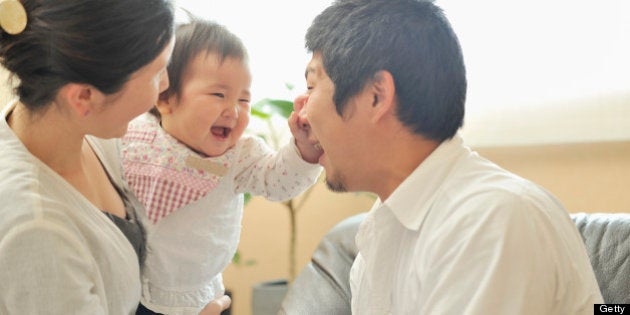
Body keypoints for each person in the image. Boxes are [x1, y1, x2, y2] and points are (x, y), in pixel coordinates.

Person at [297, 0, 604, 313]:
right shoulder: (383, 230)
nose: (301, 114)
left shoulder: (491, 220)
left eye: (311, 86)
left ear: (377, 96)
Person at [0, 1, 229, 314]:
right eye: (156, 73)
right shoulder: (35, 232)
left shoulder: (90, 129)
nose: (165, 85)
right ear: (84, 97)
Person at [120, 18, 322, 315]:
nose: (234, 110)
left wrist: (303, 151)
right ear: (165, 97)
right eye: (218, 95)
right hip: (132, 289)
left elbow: (277, 180)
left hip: (199, 295)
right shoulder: (135, 136)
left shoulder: (239, 156)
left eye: (244, 99)